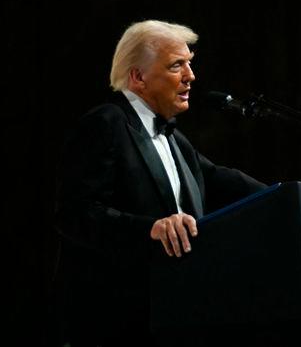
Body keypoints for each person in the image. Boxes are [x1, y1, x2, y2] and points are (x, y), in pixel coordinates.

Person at [53, 20, 268, 346]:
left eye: (189, 64)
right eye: (176, 65)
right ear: (138, 77)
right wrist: (149, 229)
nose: (191, 76)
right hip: (114, 326)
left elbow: (223, 179)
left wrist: (288, 196)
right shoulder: (107, 123)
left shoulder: (176, 141)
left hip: (175, 320)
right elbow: (74, 214)